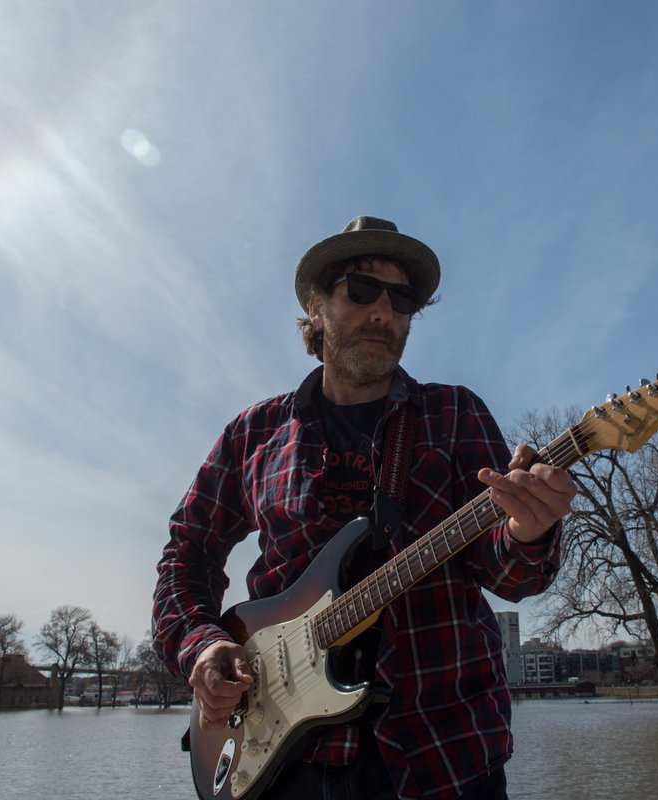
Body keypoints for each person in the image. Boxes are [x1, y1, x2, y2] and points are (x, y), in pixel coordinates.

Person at [152, 216, 576, 800]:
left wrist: (530, 529)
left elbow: (508, 572)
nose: (384, 312)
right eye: (361, 290)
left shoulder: (453, 415)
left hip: (442, 758)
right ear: (317, 307)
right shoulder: (254, 433)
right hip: (279, 765)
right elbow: (187, 552)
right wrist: (201, 646)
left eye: (402, 299)